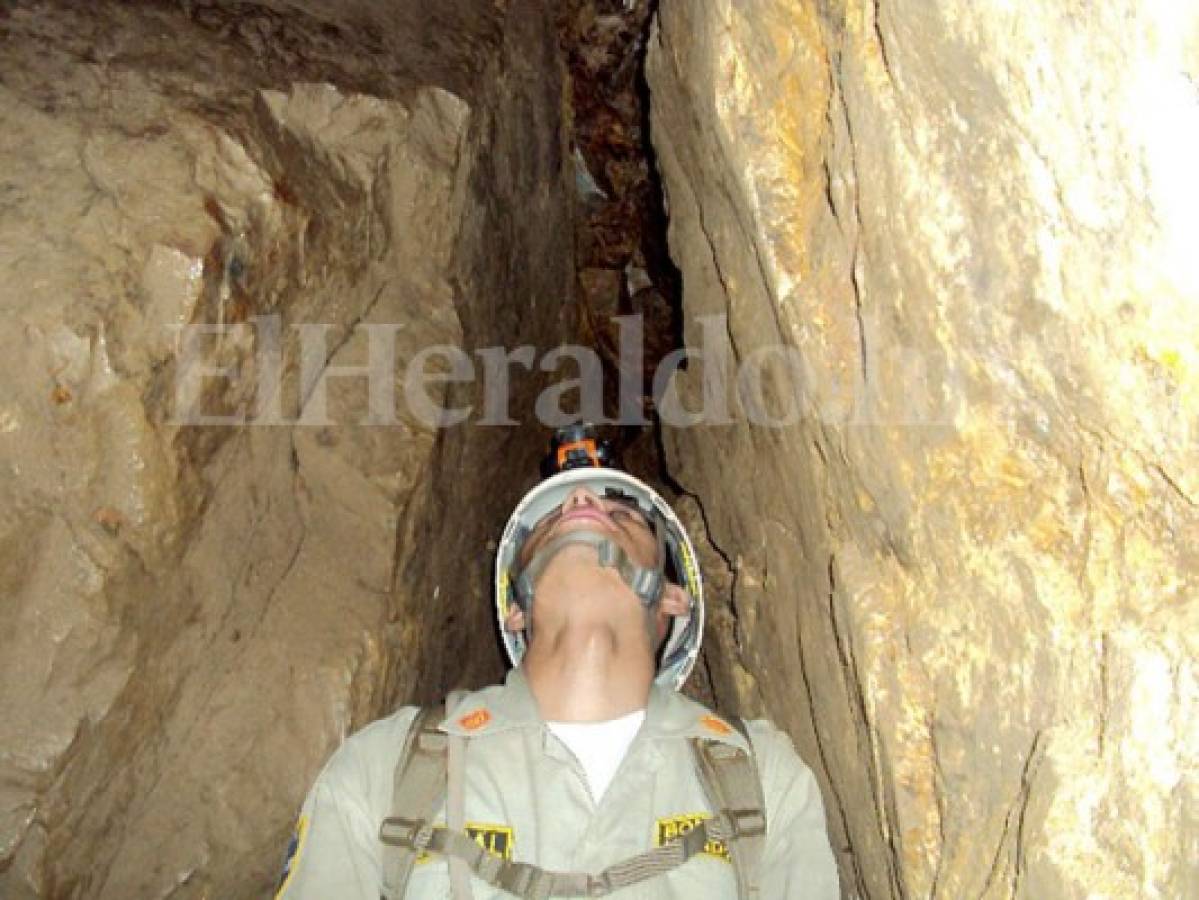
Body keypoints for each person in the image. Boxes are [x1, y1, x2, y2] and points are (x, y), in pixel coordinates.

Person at [274, 424, 839, 899]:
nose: (581, 502)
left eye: (623, 513)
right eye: (552, 518)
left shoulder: (760, 779)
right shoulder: (386, 770)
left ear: (672, 598)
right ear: (514, 609)